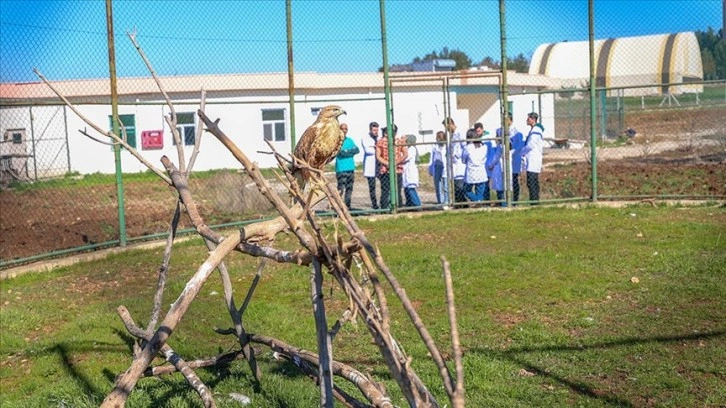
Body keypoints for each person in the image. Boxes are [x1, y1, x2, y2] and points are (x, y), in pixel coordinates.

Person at [376, 124, 407, 209]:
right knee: (387, 190)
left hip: (396, 169)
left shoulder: (399, 141)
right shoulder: (381, 141)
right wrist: (388, 163)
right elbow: (378, 156)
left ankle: (396, 207)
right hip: (386, 170)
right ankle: (387, 207)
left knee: (395, 190)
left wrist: (394, 163)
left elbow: (405, 154)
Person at [519, 112, 545, 204]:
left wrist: (521, 152)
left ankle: (534, 201)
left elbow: (530, 145)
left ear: (533, 119)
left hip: (533, 158)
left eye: (528, 118)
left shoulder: (536, 130)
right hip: (532, 158)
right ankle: (534, 200)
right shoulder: (534, 130)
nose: (527, 120)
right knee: (532, 181)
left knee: (531, 181)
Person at [334, 123, 359, 210]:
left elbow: (357, 150)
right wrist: (349, 152)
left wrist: (347, 151)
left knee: (349, 188)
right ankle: (339, 207)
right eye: (343, 129)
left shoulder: (350, 140)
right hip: (341, 168)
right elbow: (341, 153)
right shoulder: (336, 141)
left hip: (350, 168)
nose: (345, 131)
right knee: (341, 189)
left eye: (346, 129)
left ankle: (348, 206)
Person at [442, 117, 466, 204]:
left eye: (446, 127)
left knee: (460, 185)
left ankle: (462, 203)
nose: (446, 129)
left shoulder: (460, 133)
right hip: (454, 164)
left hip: (459, 163)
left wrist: (457, 155)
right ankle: (458, 203)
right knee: (456, 184)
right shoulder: (452, 135)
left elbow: (465, 147)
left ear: (450, 124)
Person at [462, 128, 488, 202]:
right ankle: (479, 201)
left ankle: (477, 201)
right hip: (481, 172)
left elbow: (463, 160)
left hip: (471, 173)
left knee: (466, 190)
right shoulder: (484, 147)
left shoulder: (468, 147)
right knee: (480, 191)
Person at [503, 112, 525, 204]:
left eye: (506, 119)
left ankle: (515, 200)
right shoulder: (502, 130)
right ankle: (505, 199)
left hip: (514, 158)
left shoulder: (516, 131)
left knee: (514, 179)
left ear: (510, 120)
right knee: (505, 179)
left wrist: (513, 151)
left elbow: (520, 145)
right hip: (505, 157)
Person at [361, 121, 380, 209]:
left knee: (384, 184)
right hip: (370, 164)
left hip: (379, 164)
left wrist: (375, 148)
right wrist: (377, 150)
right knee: (372, 187)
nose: (376, 132)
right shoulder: (365, 138)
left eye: (377, 130)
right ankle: (374, 204)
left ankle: (384, 203)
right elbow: (368, 151)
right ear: (370, 130)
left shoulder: (379, 138)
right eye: (374, 130)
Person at [428, 130, 449, 206]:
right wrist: (430, 168)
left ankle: (447, 201)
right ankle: (441, 201)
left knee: (446, 186)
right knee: (438, 186)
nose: (438, 139)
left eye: (440, 138)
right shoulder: (435, 146)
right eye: (438, 138)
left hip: (445, 166)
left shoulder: (447, 146)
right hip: (437, 166)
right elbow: (432, 157)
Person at [474, 122, 492, 202]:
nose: (478, 133)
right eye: (476, 131)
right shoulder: (475, 138)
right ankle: (481, 200)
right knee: (479, 183)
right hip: (479, 164)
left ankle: (486, 201)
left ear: (482, 130)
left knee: (485, 183)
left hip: (486, 162)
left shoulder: (487, 137)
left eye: (479, 131)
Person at [402, 134, 421, 207]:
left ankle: (417, 204)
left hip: (410, 170)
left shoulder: (412, 148)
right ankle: (409, 204)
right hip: (406, 170)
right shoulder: (406, 148)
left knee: (411, 188)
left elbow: (406, 157)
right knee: (406, 188)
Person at [489, 130, 506, 206]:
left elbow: (496, 158)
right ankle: (501, 202)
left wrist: (490, 165)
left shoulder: (500, 146)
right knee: (501, 186)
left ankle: (502, 203)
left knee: (500, 187)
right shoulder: (504, 145)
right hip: (503, 168)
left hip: (500, 168)